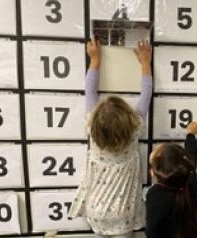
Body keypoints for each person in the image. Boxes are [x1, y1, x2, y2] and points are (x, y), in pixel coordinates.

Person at [69, 38, 153, 238]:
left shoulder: (92, 128)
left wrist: (95, 59)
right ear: (130, 120)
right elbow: (145, 96)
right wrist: (145, 64)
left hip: (95, 211)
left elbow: (89, 92)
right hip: (123, 214)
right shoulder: (135, 130)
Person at [146, 121, 197, 238]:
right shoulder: (188, 174)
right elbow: (192, 155)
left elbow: (152, 231)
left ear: (152, 173)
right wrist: (190, 135)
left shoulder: (154, 195)